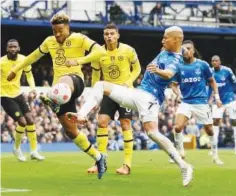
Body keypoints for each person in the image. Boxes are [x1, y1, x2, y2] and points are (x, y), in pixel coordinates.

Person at [66, 26, 194, 187]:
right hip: (139, 94)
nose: (162, 40)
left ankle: (184, 166)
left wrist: (159, 71)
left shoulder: (175, 59)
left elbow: (169, 73)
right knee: (100, 85)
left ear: (175, 40)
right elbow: (180, 44)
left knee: (152, 133)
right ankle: (82, 115)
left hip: (150, 98)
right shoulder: (170, 49)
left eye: (165, 37)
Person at [7, 13, 107, 179]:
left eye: (60, 30)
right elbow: (33, 56)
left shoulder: (79, 38)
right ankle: (98, 157)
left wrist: (80, 60)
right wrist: (15, 69)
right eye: (55, 31)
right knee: (70, 130)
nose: (57, 34)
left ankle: (53, 99)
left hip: (75, 82)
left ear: (67, 27)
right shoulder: (49, 41)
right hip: (60, 90)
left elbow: (100, 52)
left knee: (62, 84)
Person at [86, 24, 141, 175]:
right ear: (103, 36)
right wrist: (94, 95)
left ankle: (127, 165)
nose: (109, 36)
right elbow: (96, 76)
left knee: (125, 124)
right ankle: (100, 162)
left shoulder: (128, 50)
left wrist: (129, 82)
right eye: (106, 34)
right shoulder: (98, 53)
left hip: (125, 92)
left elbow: (137, 69)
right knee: (102, 121)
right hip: (109, 92)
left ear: (117, 35)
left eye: (112, 33)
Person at [170, 40, 224, 165]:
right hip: (186, 102)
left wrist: (217, 97)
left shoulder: (202, 65)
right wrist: (177, 94)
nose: (186, 51)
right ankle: (180, 153)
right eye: (183, 49)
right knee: (177, 127)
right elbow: (174, 85)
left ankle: (215, 156)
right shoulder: (178, 66)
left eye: (189, 48)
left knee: (209, 130)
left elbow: (212, 82)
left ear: (193, 50)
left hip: (201, 102)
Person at [1, 39, 44, 161]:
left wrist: (33, 89)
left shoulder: (24, 60)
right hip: (4, 96)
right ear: (7, 49)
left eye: (15, 47)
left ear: (18, 48)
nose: (12, 49)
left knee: (30, 119)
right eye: (10, 47)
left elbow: (29, 75)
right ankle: (16, 148)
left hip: (18, 94)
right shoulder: (1, 62)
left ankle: (34, 151)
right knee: (22, 122)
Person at [210, 55, 236, 155]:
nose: (214, 62)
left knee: (234, 121)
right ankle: (214, 148)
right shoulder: (210, 72)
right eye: (213, 61)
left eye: (216, 61)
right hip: (218, 101)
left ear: (220, 61)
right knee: (215, 121)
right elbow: (209, 87)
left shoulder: (227, 71)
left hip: (230, 100)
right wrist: (207, 100)